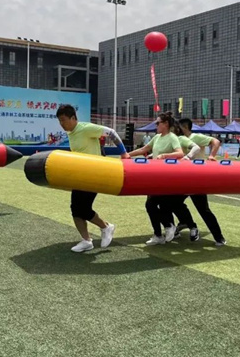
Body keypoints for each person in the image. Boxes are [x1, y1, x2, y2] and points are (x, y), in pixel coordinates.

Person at [56, 104, 129, 252]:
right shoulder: (71, 133)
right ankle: (86, 241)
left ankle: (106, 227)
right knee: (75, 209)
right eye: (59, 121)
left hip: (93, 174)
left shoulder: (85, 128)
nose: (61, 124)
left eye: (63, 120)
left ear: (73, 118)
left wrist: (123, 153)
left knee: (83, 209)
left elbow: (111, 132)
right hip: (80, 175)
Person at [128, 111, 183, 246]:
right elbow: (144, 149)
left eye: (158, 123)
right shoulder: (157, 137)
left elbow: (180, 153)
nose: (156, 125)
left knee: (152, 204)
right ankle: (159, 233)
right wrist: (128, 155)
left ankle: (167, 227)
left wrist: (164, 155)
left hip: (166, 177)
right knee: (151, 205)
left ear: (166, 124)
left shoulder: (172, 137)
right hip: (155, 176)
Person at [174, 118, 227, 246]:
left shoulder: (195, 137)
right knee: (173, 203)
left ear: (184, 127)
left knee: (203, 210)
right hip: (183, 179)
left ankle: (219, 238)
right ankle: (184, 222)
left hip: (196, 179)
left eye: (178, 127)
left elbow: (216, 141)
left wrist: (212, 155)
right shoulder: (179, 140)